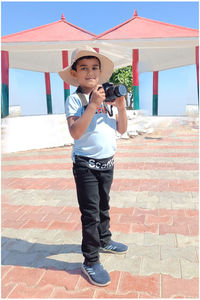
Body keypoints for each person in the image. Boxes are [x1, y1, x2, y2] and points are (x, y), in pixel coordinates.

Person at [58, 46, 128, 287]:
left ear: (100, 72)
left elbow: (121, 129)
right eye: (84, 68)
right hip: (86, 166)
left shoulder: (106, 97)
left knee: (104, 206)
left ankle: (104, 240)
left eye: (94, 68)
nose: (90, 72)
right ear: (75, 74)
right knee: (90, 214)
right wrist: (91, 105)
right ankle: (90, 260)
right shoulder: (75, 99)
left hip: (107, 164)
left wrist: (119, 107)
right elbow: (76, 132)